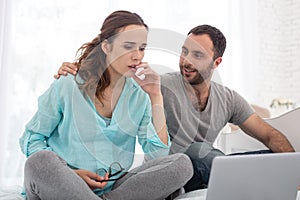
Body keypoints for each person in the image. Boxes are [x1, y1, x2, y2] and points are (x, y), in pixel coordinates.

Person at [55, 24, 295, 193]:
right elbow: (116, 74)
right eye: (184, 51)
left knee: (269, 161)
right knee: (197, 151)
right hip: (171, 173)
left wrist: (294, 172)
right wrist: (80, 69)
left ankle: (239, 179)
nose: (186, 60)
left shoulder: (229, 99)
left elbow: (270, 135)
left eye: (197, 55)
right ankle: (238, 178)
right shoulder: (160, 85)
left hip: (208, 171)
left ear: (217, 62)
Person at [19, 10, 193, 200]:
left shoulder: (139, 95)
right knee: (40, 161)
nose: (137, 56)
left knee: (181, 164)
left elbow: (157, 156)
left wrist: (156, 95)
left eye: (142, 48)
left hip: (110, 189)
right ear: (106, 47)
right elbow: (31, 138)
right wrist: (72, 174)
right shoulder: (69, 83)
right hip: (61, 183)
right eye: (128, 46)